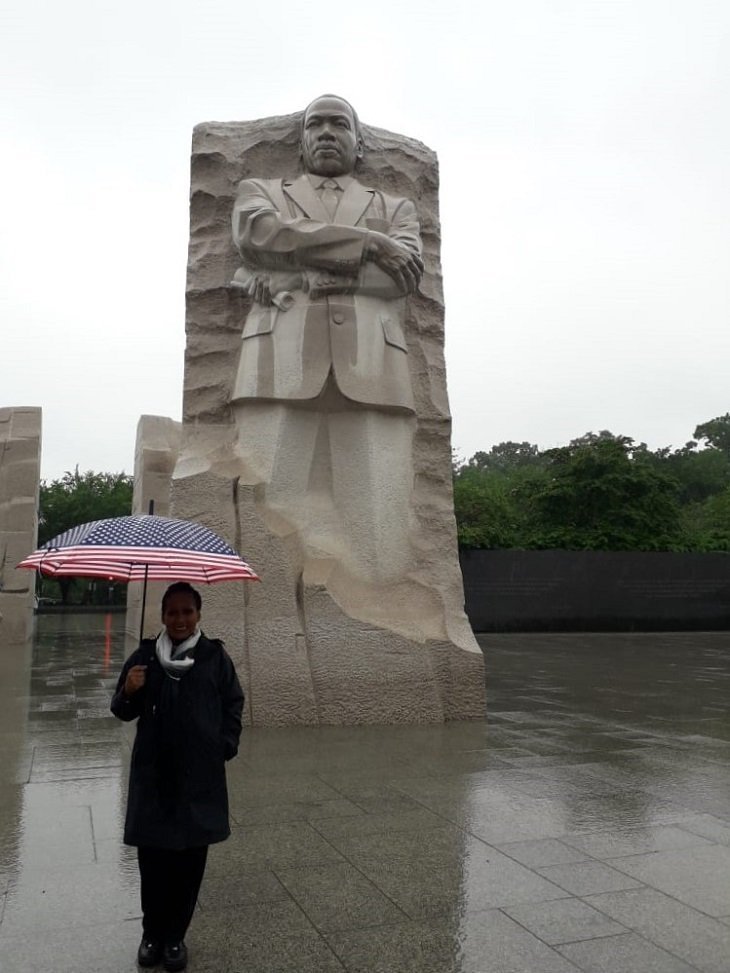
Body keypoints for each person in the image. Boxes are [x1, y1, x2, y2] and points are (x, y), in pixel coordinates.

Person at [230, 93, 424, 582]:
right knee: (265, 513)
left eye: (339, 124)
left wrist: (306, 275)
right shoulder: (261, 193)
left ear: (359, 144)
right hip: (277, 362)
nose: (326, 133)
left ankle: (379, 612)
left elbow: (401, 278)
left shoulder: (396, 207)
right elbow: (262, 236)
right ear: (300, 142)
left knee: (377, 526)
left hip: (374, 368)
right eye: (315, 125)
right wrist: (370, 243)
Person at [111, 581, 244, 972]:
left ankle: (174, 937)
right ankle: (151, 935)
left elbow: (233, 702)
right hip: (154, 776)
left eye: (187, 611)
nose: (180, 619)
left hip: (197, 778)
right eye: (173, 612)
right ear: (163, 616)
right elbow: (121, 710)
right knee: (152, 863)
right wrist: (129, 689)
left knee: (189, 863)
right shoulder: (144, 657)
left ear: (198, 614)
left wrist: (224, 744)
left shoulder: (214, 657)